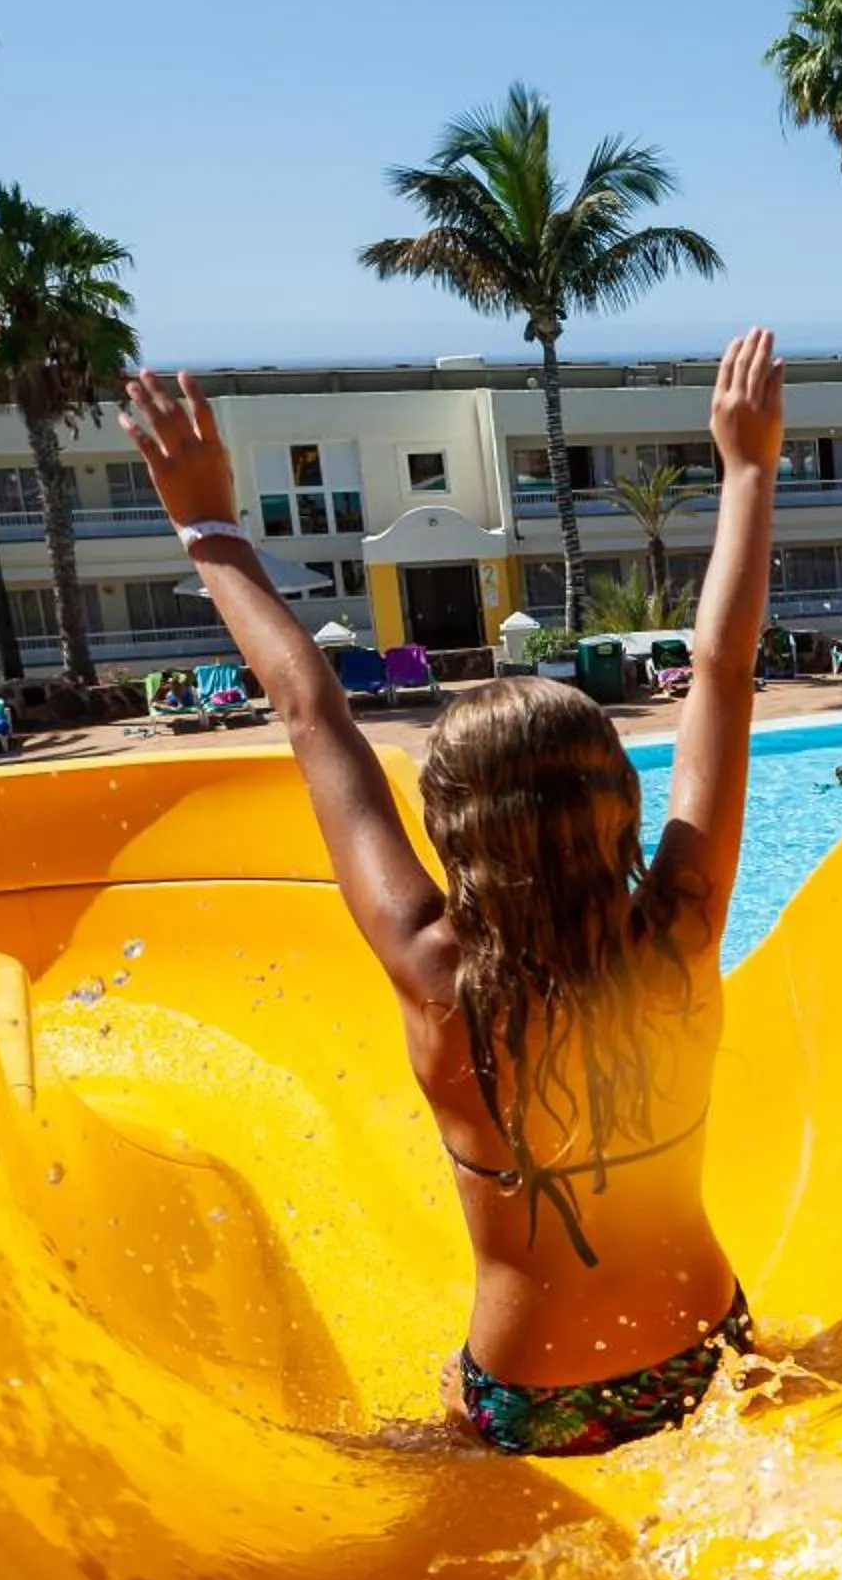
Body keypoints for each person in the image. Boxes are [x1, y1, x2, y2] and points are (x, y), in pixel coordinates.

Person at [116, 329, 787, 1457]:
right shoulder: (681, 924)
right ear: (621, 803)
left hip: (534, 1396)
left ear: (455, 834)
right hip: (708, 1352)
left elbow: (310, 709)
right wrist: (749, 467)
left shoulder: (434, 970)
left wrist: (209, 524)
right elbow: (722, 669)